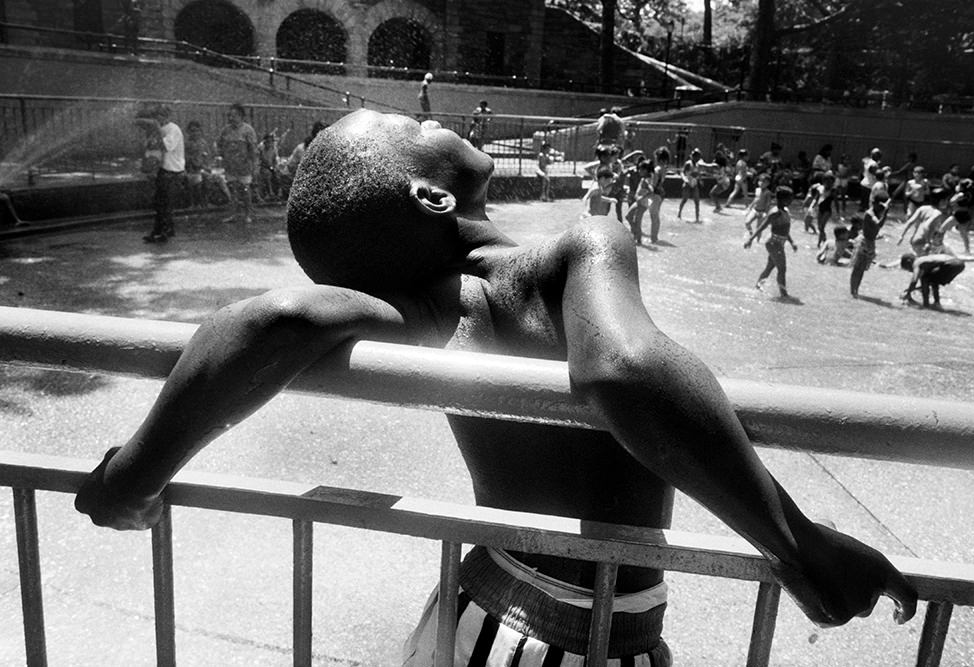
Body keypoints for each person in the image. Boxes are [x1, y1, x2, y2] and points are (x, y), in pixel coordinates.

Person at [74, 110, 916, 665]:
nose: (431, 114)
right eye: (414, 124)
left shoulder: (412, 312)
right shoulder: (574, 249)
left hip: (479, 615)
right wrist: (796, 541)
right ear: (433, 193)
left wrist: (132, 474)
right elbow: (621, 369)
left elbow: (273, 319)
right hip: (595, 632)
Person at [136, 104, 184, 243]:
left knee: (165, 202)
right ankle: (162, 229)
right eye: (157, 116)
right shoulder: (159, 129)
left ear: (168, 116)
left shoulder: (173, 129)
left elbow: (165, 146)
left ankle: (164, 230)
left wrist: (156, 129)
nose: (159, 119)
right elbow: (150, 148)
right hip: (162, 169)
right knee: (159, 202)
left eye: (162, 116)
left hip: (172, 169)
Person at [745, 185, 798, 297]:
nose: (791, 200)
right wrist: (750, 239)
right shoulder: (775, 212)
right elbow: (763, 225)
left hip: (778, 242)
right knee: (782, 269)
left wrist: (791, 242)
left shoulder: (785, 211)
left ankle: (758, 287)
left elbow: (784, 229)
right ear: (782, 199)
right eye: (789, 198)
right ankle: (784, 294)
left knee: (770, 267)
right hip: (774, 243)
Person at [217, 103, 258, 225]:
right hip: (230, 165)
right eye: (229, 115)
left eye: (233, 115)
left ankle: (248, 214)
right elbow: (219, 144)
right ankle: (233, 214)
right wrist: (222, 154)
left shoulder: (248, 130)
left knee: (245, 191)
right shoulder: (226, 130)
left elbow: (253, 149)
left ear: (241, 116)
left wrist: (254, 165)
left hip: (244, 166)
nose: (230, 118)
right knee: (233, 191)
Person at [849, 190, 890, 298]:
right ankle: (853, 291)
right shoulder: (869, 213)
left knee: (862, 269)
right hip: (864, 242)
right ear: (875, 203)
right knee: (857, 268)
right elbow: (878, 225)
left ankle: (856, 289)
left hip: (870, 243)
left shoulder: (877, 212)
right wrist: (885, 212)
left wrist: (884, 212)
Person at [899, 253, 965, 308]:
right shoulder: (924, 260)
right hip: (959, 263)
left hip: (951, 264)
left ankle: (926, 305)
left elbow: (914, 280)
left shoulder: (917, 262)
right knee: (932, 279)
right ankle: (936, 303)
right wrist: (913, 289)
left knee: (925, 278)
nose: (911, 271)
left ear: (909, 261)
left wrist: (908, 293)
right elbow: (928, 283)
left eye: (908, 269)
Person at [897, 192, 949, 257]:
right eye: (946, 200)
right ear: (941, 201)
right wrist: (928, 242)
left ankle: (889, 265)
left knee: (915, 259)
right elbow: (926, 226)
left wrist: (902, 236)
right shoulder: (937, 213)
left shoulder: (923, 208)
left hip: (914, 239)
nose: (947, 202)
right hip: (922, 241)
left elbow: (910, 222)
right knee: (921, 263)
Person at [625, 158, 655, 244]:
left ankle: (638, 239)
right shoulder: (645, 178)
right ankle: (636, 235)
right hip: (639, 201)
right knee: (629, 217)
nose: (638, 171)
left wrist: (643, 196)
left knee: (636, 220)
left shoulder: (647, 179)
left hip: (642, 203)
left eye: (640, 169)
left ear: (645, 170)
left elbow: (651, 189)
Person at [646, 145, 671, 243]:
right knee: (656, 216)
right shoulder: (664, 168)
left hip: (655, 194)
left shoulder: (657, 169)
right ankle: (655, 237)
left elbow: (654, 184)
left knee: (654, 216)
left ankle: (653, 238)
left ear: (658, 158)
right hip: (661, 193)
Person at [677, 148, 710, 223]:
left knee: (697, 201)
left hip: (694, 184)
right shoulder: (688, 163)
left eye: (699, 157)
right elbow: (682, 172)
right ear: (693, 156)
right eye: (697, 156)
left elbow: (698, 174)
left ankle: (697, 218)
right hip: (687, 184)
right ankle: (679, 214)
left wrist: (700, 180)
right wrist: (685, 179)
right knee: (684, 199)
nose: (698, 158)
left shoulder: (698, 164)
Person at [184, 120, 211, 208]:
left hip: (202, 168)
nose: (195, 133)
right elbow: (185, 157)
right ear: (188, 132)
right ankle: (193, 203)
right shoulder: (187, 144)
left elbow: (207, 157)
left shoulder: (203, 143)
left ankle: (204, 202)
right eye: (192, 131)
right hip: (190, 169)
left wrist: (205, 166)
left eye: (197, 131)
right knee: (194, 181)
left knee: (206, 178)